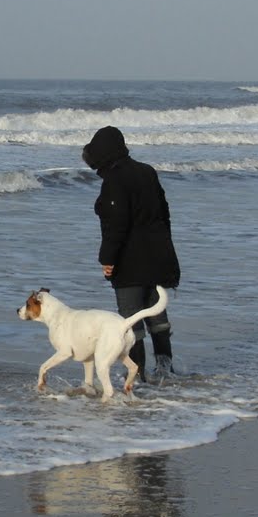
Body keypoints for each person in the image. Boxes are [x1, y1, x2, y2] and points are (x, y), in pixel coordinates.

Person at [81, 125, 180, 382]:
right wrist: (167, 251)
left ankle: (137, 377)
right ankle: (165, 369)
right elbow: (164, 214)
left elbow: (117, 225)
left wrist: (108, 259)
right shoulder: (146, 171)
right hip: (158, 256)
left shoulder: (115, 180)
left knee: (130, 321)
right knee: (157, 313)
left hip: (130, 262)